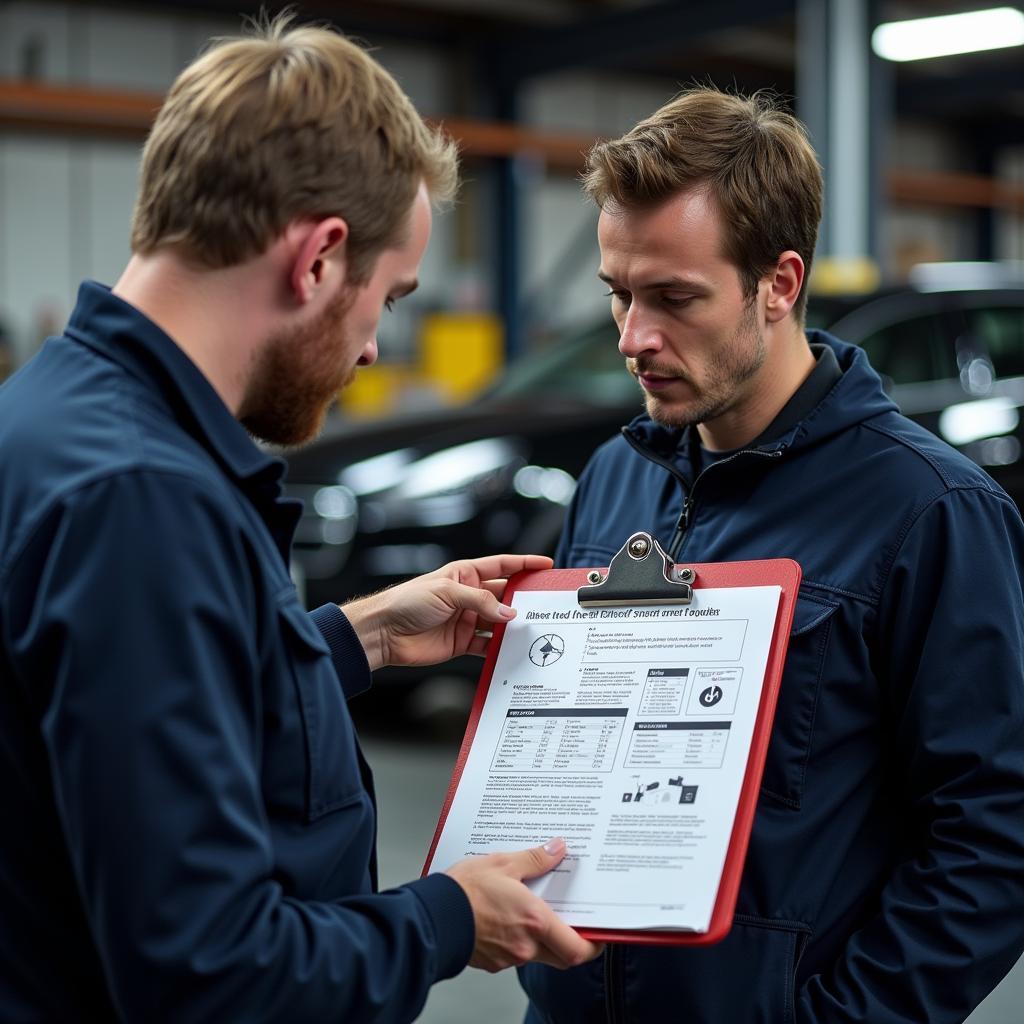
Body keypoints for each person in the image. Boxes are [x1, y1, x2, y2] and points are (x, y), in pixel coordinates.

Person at [0, 17, 600, 1023]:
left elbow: (109, 710)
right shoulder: (142, 499)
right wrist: (446, 917)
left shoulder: (49, 416)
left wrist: (347, 638)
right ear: (319, 259)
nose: (372, 348)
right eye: (389, 297)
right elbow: (210, 975)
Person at [517, 87, 1024, 1023]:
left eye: (674, 298)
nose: (633, 339)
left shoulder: (930, 511)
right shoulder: (611, 480)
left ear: (780, 284)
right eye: (619, 295)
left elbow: (993, 838)